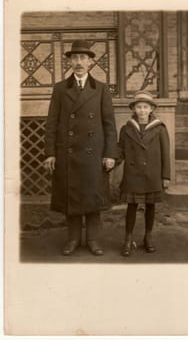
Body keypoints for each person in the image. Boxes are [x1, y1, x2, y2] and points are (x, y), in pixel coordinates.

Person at [44, 40, 117, 256]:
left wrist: (110, 153)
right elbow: (51, 123)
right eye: (75, 58)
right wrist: (49, 153)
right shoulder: (60, 89)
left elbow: (109, 124)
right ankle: (73, 239)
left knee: (93, 195)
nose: (79, 62)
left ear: (90, 62)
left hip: (94, 154)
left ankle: (93, 240)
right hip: (67, 152)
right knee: (72, 196)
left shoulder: (101, 89)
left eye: (83, 58)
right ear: (70, 61)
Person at [117, 90, 170, 257]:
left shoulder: (160, 129)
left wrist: (165, 176)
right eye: (139, 107)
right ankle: (128, 238)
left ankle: (148, 237)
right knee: (131, 207)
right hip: (133, 173)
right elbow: (120, 150)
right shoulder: (126, 128)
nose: (142, 110)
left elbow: (165, 153)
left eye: (145, 107)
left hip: (152, 174)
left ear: (151, 109)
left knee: (150, 206)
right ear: (134, 109)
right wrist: (112, 159)